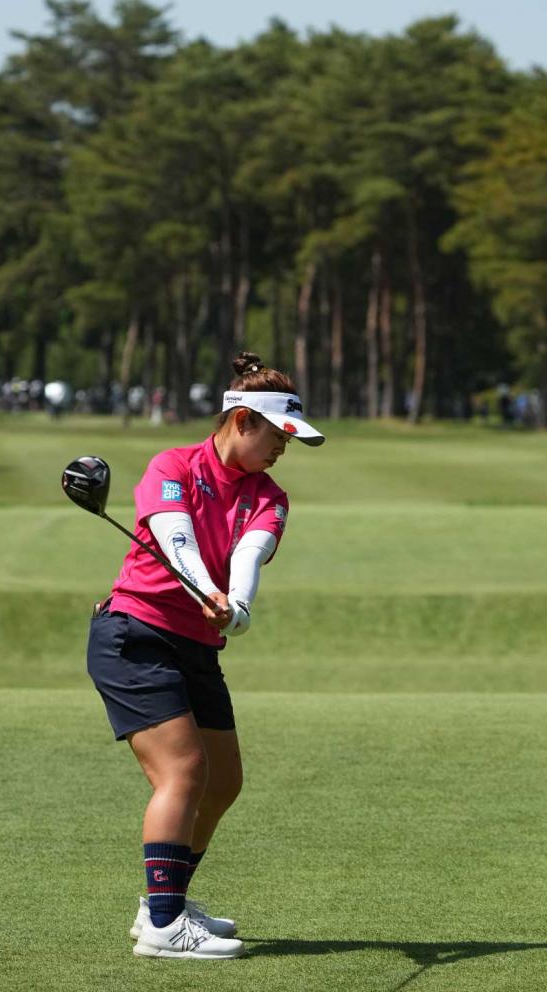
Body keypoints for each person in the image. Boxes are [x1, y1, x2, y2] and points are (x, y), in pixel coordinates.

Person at [86, 352, 325, 960]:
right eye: (277, 436)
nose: (282, 449)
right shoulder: (173, 466)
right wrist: (204, 591)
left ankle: (159, 903)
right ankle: (165, 928)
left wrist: (235, 608)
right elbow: (176, 538)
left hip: (196, 645)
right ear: (242, 420)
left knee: (222, 782)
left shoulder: (270, 495)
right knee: (184, 772)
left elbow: (248, 557)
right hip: (135, 635)